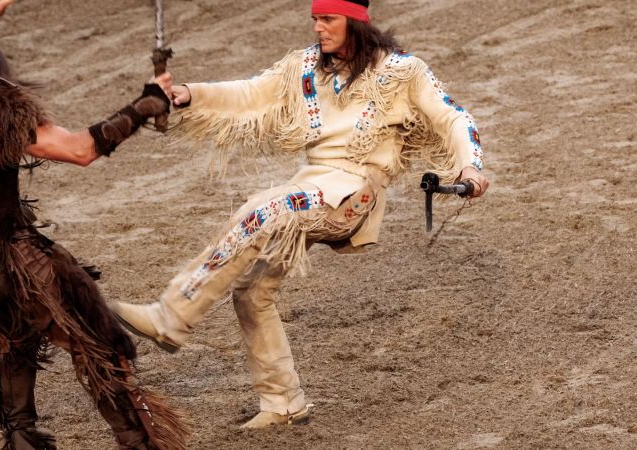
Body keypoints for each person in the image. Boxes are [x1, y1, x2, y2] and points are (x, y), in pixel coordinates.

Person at [111, 0, 490, 429]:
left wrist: (470, 165)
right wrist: (191, 93)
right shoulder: (306, 66)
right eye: (315, 18)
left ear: (356, 22)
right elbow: (253, 91)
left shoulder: (404, 71)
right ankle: (282, 402)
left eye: (328, 19)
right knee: (253, 290)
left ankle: (172, 315)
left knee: (262, 208)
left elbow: (453, 116)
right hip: (311, 186)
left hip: (353, 195)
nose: (318, 28)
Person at [0, 2, 187, 449]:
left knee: (15, 338)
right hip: (7, 260)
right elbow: (80, 149)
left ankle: (21, 439)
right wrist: (146, 104)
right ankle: (139, 441)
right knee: (100, 345)